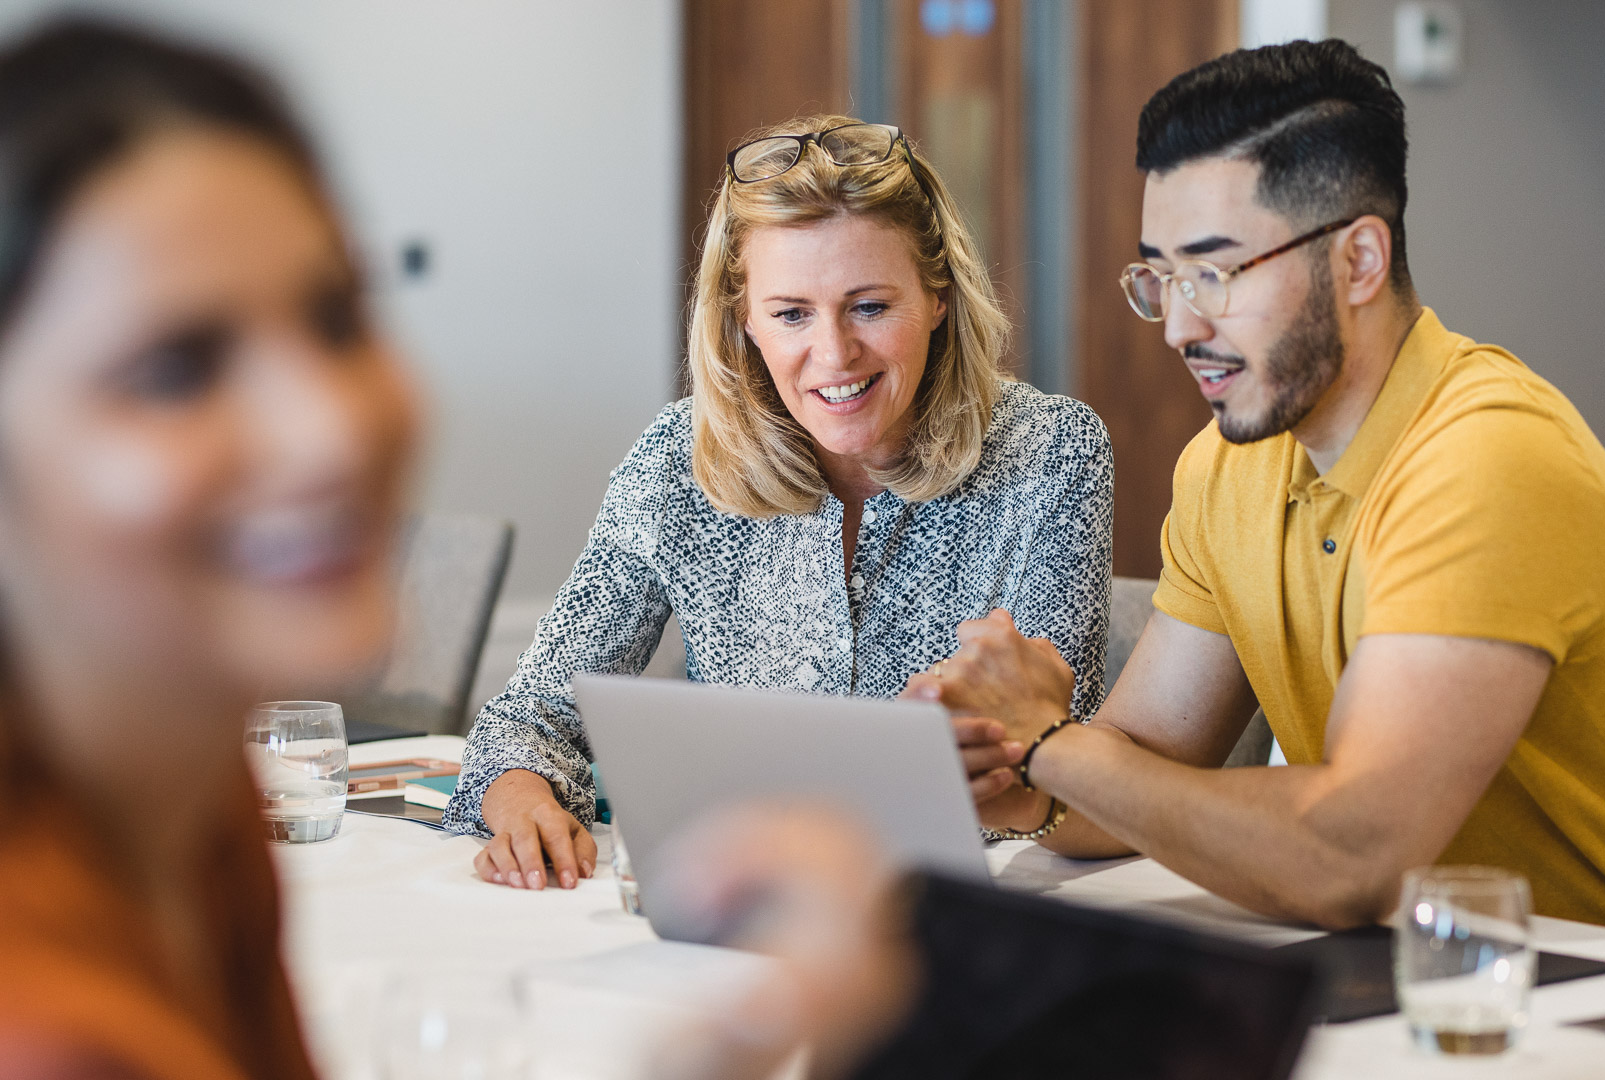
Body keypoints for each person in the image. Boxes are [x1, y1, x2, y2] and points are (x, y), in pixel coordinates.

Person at [920, 41, 1605, 952]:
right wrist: (1007, 767)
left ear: (1360, 261)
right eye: (1162, 277)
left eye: (1215, 274)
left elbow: (1352, 857)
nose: (1181, 326)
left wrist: (1054, 747)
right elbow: (1136, 774)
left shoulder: (1485, 457)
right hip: (1448, 969)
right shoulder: (1227, 468)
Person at [447, 114, 1115, 891]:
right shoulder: (678, 459)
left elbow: (1069, 764)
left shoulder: (1053, 451)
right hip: (741, 903)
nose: (833, 355)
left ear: (938, 296)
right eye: (792, 314)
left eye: (869, 306)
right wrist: (522, 801)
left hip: (977, 909)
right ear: (744, 321)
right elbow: (530, 718)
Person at [0, 17, 418, 1079]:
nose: (330, 427)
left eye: (336, 318)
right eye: (177, 370)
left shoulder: (194, 803)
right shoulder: (53, 1034)